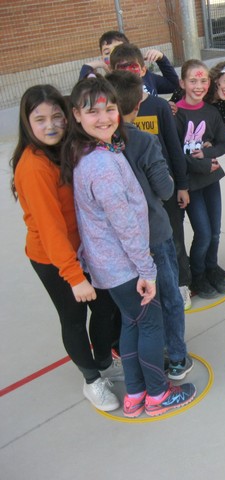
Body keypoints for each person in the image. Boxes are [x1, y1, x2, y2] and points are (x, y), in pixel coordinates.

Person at [61, 77, 195, 417]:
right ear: (76, 115)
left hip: (109, 266)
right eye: (93, 112)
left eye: (109, 109)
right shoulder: (103, 165)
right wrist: (146, 270)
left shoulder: (91, 151)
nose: (104, 118)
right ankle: (158, 394)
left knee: (133, 323)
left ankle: (135, 393)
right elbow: (126, 224)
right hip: (126, 266)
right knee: (150, 324)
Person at [11, 84, 121, 412]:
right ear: (27, 122)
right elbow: (50, 230)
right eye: (40, 119)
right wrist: (74, 276)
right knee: (73, 318)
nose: (51, 125)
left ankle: (104, 360)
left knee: (105, 307)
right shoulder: (34, 167)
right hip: (54, 258)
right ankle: (92, 379)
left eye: (57, 117)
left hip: (84, 250)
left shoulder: (66, 149)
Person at [105, 70, 193, 381]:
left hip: (118, 239)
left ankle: (145, 359)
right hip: (153, 233)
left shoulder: (96, 144)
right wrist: (167, 179)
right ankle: (177, 357)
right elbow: (165, 189)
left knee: (136, 306)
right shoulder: (143, 140)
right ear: (137, 105)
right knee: (168, 295)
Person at [110, 43, 192, 311]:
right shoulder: (108, 117)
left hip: (164, 190)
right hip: (136, 199)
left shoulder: (158, 106)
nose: (128, 73)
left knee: (174, 240)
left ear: (143, 70)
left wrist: (182, 185)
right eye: (121, 69)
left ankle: (182, 284)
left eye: (133, 68)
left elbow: (174, 148)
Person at [174, 60, 225, 298]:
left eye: (203, 80)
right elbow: (175, 154)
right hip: (191, 184)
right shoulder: (175, 114)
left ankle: (211, 267)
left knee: (215, 231)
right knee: (204, 233)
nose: (199, 86)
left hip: (211, 180)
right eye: (193, 81)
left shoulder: (211, 112)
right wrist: (203, 164)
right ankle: (197, 275)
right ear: (182, 83)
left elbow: (222, 143)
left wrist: (208, 154)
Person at [79, 31, 180, 96]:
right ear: (102, 57)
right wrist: (88, 67)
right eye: (107, 52)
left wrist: (161, 59)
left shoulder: (146, 76)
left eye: (118, 49)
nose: (113, 54)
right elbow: (83, 94)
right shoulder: (104, 85)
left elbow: (174, 85)